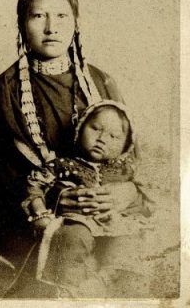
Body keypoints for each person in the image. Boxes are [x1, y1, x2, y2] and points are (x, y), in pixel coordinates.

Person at [0, 0, 152, 297]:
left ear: (76, 24)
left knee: (128, 271)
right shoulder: (6, 90)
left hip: (104, 209)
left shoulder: (101, 83)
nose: (51, 27)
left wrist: (123, 193)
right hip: (32, 218)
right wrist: (54, 198)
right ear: (22, 24)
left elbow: (129, 158)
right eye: (38, 16)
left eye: (62, 16)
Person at [25, 100, 152, 296]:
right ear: (80, 128)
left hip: (115, 224)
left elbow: (144, 199)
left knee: (127, 244)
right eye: (95, 129)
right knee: (75, 238)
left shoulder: (125, 172)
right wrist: (40, 212)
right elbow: (34, 186)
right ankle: (67, 291)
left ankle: (106, 287)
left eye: (114, 136)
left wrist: (129, 195)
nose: (102, 139)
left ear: (126, 146)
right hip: (77, 221)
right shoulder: (63, 165)